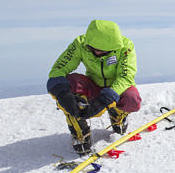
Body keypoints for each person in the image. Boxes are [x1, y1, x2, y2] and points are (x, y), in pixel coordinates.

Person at [46, 20, 141, 155]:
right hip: (93, 84)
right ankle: (79, 131)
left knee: (132, 99)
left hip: (117, 87)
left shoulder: (126, 46)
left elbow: (126, 77)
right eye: (97, 50)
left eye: (106, 51)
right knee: (71, 82)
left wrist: (105, 99)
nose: (100, 53)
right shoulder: (80, 44)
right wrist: (63, 94)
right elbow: (58, 70)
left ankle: (117, 113)